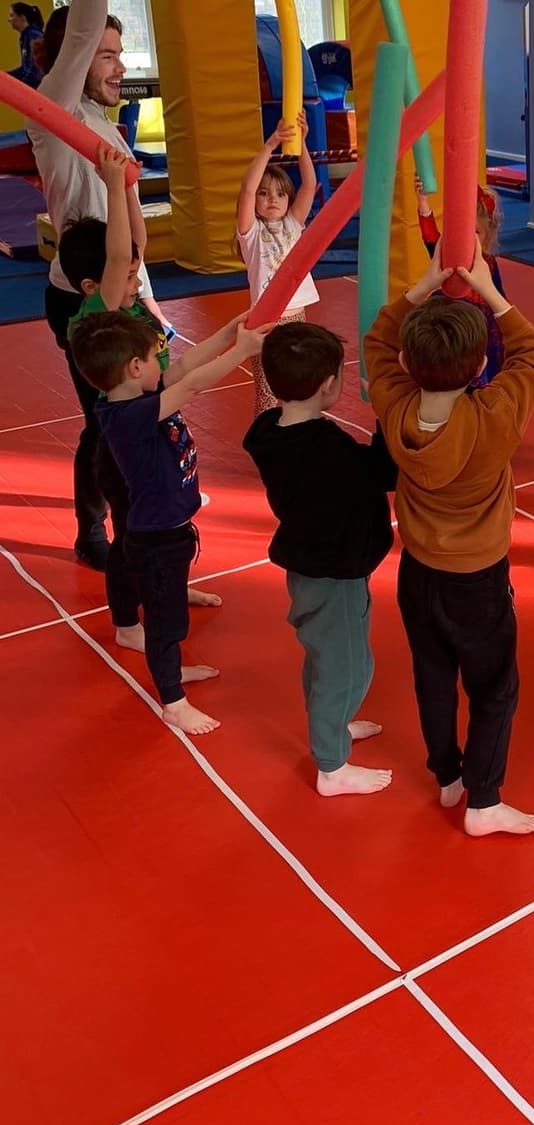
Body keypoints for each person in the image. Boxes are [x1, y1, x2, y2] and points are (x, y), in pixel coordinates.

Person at [364, 240, 534, 837]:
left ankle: (447, 773)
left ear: (409, 362)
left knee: (433, 675)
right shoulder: (494, 415)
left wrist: (422, 286)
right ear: (477, 367)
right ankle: (483, 800)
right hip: (478, 579)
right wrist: (487, 287)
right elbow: (530, 349)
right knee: (495, 687)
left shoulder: (393, 404)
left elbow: (376, 343)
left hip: (419, 573)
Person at [32, 0, 167, 571]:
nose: (117, 65)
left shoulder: (102, 124)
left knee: (122, 412)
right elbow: (80, 32)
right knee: (103, 420)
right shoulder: (54, 116)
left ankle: (127, 518)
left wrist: (148, 294)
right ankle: (99, 533)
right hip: (80, 293)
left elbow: (130, 220)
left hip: (122, 283)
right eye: (105, 54)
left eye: (120, 52)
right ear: (74, 60)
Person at [70, 309, 268, 736]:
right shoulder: (128, 415)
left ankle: (171, 670)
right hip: (157, 540)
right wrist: (243, 352)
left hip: (169, 532)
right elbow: (192, 384)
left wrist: (228, 331)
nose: (161, 365)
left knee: (171, 613)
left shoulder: (137, 395)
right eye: (152, 358)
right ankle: (173, 703)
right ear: (134, 367)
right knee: (165, 622)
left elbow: (185, 367)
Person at [60, 146, 220, 657]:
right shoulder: (97, 316)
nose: (136, 281)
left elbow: (134, 248)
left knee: (165, 535)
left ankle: (168, 588)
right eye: (129, 278)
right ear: (94, 286)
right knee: (132, 537)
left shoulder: (130, 310)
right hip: (124, 453)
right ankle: (128, 621)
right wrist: (111, 184)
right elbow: (116, 258)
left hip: (156, 441)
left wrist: (131, 187)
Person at [244, 323, 397, 797]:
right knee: (347, 668)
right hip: (334, 575)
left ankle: (333, 724)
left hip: (309, 568)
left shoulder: (269, 431)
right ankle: (332, 766)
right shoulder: (327, 449)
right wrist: (386, 415)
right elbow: (383, 473)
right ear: (329, 384)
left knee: (324, 657)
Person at [236, 113, 319, 414]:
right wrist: (271, 144)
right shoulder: (251, 232)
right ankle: (266, 436)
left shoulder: (293, 225)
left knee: (300, 386)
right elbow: (247, 189)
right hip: (265, 320)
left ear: (288, 200)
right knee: (267, 394)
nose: (273, 199)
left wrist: (302, 144)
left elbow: (309, 185)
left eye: (280, 194)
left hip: (296, 317)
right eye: (265, 193)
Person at [416, 181, 507, 384]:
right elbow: (430, 236)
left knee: (479, 370)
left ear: (487, 235)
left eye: (476, 232)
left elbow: (499, 296)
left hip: (480, 327)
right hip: (452, 323)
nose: (469, 239)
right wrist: (423, 201)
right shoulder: (448, 257)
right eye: (464, 232)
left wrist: (506, 325)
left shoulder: (489, 263)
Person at [8, 1, 44, 88]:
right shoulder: (25, 37)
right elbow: (25, 69)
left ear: (22, 18)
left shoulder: (34, 35)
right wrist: (5, 77)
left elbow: (36, 70)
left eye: (12, 15)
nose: (9, 19)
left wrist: (21, 88)